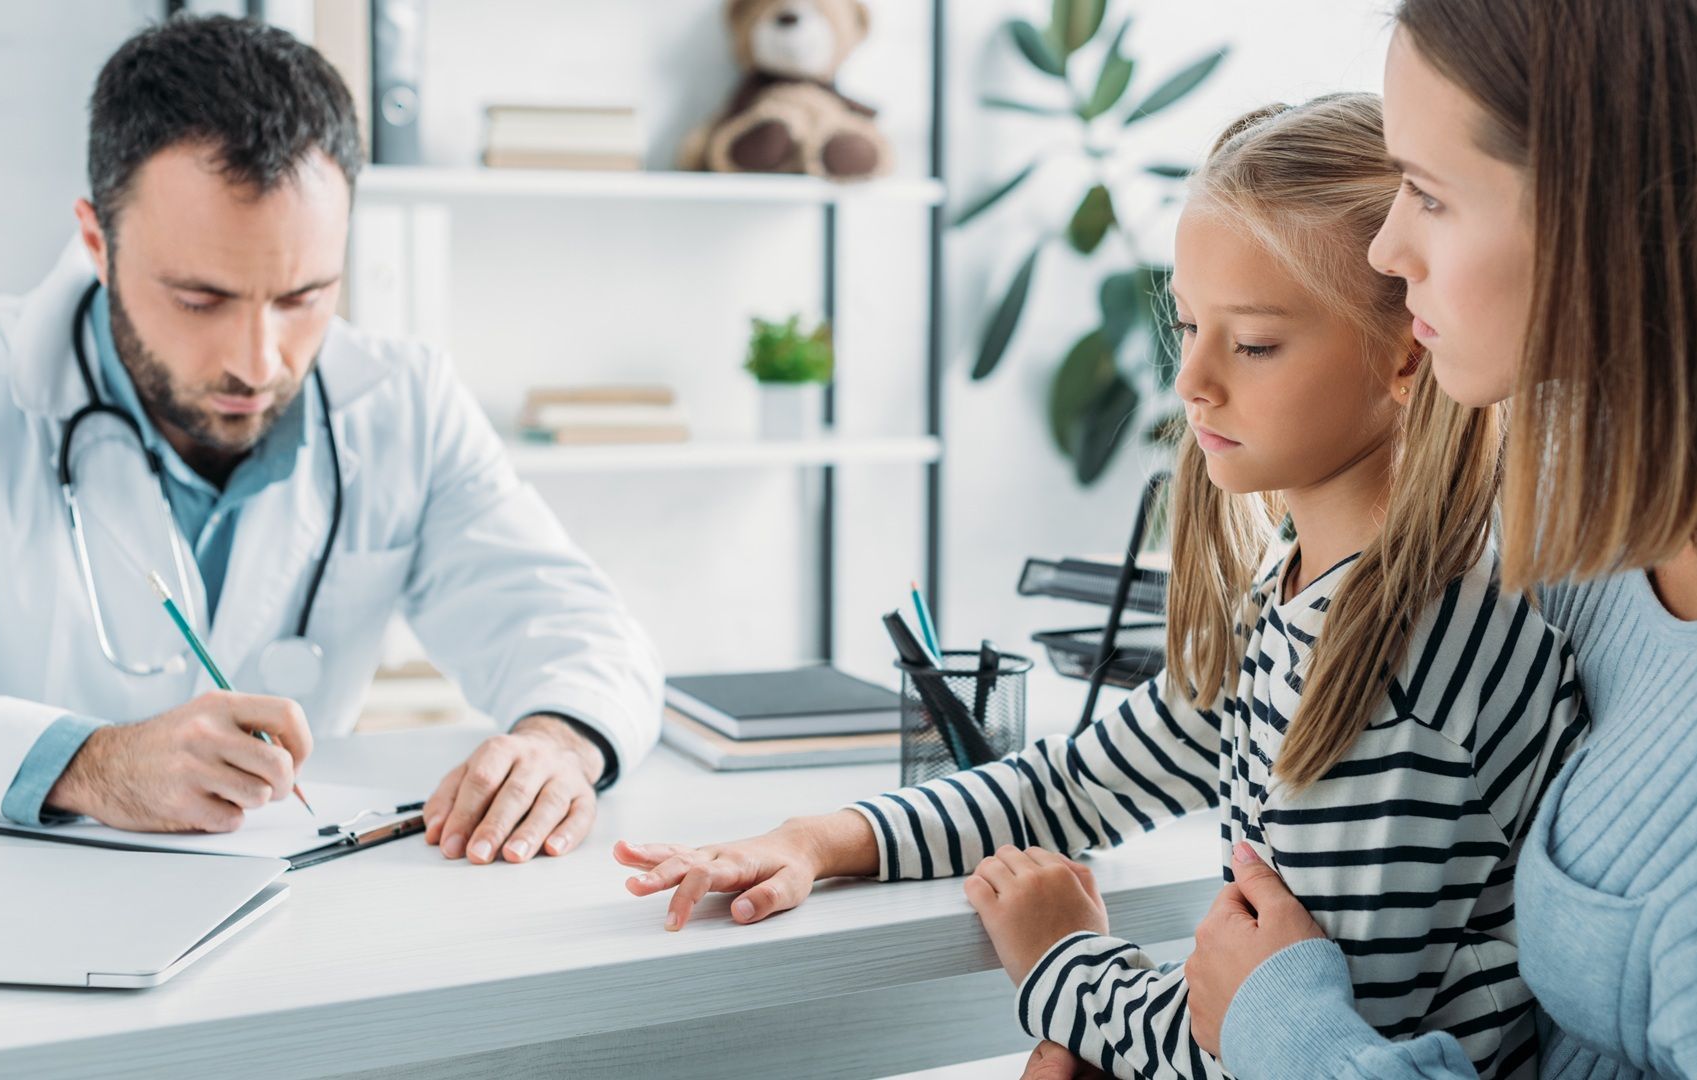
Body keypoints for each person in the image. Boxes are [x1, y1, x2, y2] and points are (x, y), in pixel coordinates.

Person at [615, 94, 1585, 1079]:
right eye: (1189, 324)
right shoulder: (1306, 589)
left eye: (1251, 343)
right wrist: (819, 839)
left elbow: (1289, 1047)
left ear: (1406, 353)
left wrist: (1062, 964)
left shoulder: (1401, 661)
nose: (1191, 380)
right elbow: (1086, 780)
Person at [1178, 2, 1697, 1077]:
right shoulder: (1591, 544)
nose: (1384, 247)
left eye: (1429, 194)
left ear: (1612, 221)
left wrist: (1286, 1032)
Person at [0, 15, 662, 866]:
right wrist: (91, 763)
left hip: (282, 914)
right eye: (199, 298)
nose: (258, 362)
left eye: (303, 296)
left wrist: (555, 744)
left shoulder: (401, 400)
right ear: (97, 241)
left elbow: (578, 627)